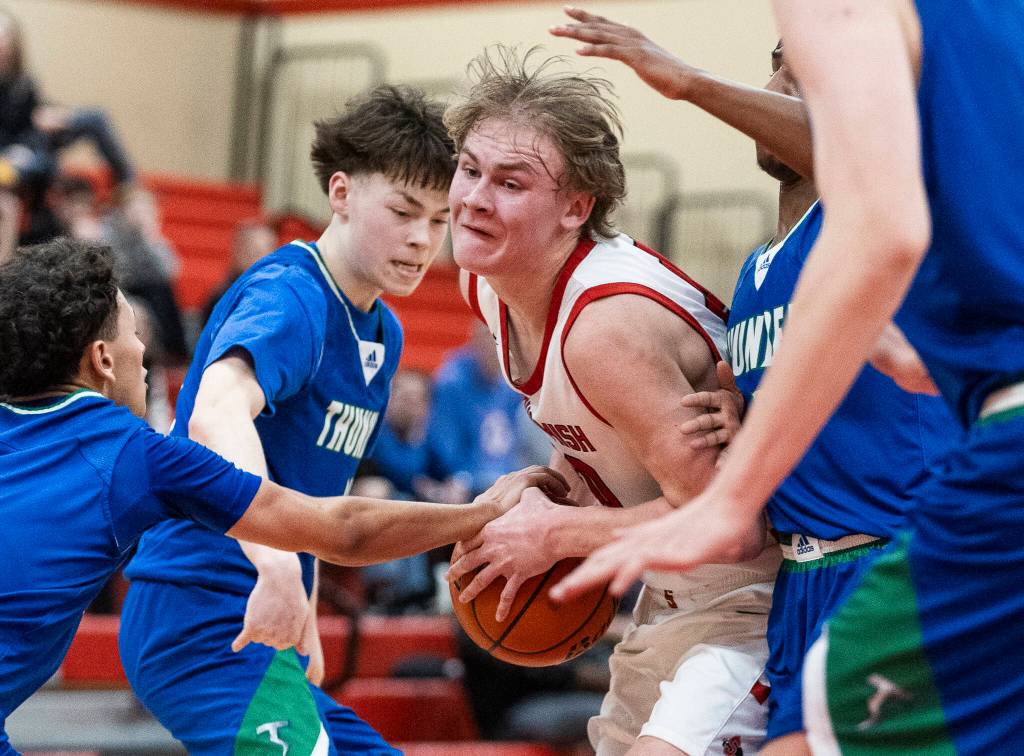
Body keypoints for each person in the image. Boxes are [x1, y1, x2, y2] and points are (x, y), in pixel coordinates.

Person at [555, 1, 1024, 752]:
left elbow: (857, 163)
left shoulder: (855, 215)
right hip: (800, 576)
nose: (781, 86)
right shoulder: (756, 272)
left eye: (807, 74)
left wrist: (686, 81)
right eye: (776, 67)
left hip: (888, 542)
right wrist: (744, 420)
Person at [0, 238, 564, 755]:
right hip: (196, 627)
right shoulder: (139, 457)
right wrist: (483, 513)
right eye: (134, 335)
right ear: (102, 359)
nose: (145, 353)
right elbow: (340, 530)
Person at [116, 84, 502, 755]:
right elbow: (214, 408)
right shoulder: (293, 296)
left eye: (439, 221)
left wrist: (307, 606)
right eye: (405, 210)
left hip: (263, 624)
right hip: (199, 615)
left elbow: (318, 496)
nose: (421, 239)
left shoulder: (384, 332)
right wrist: (276, 568)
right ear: (342, 194)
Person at [443, 47, 780, 756]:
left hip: (747, 606)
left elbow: (729, 525)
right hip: (671, 600)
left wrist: (554, 536)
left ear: (576, 207)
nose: (474, 197)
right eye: (470, 169)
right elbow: (604, 438)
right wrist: (551, 484)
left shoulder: (605, 330)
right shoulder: (490, 284)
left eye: (510, 182)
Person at [429, 320, 540, 496]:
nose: (498, 350)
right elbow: (444, 442)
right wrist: (464, 476)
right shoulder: (452, 382)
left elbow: (516, 439)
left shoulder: (510, 384)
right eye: (492, 341)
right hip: (464, 478)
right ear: (475, 343)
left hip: (505, 474)